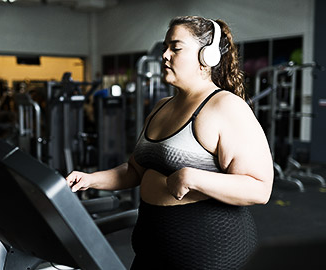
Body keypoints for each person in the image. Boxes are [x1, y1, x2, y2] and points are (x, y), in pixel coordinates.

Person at [66, 16, 273, 270]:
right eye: (165, 47)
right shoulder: (161, 107)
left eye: (175, 48)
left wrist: (193, 177)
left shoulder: (226, 107)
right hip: (152, 249)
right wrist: (90, 179)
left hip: (208, 253)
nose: (164, 55)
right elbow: (135, 170)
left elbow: (259, 188)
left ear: (206, 58)